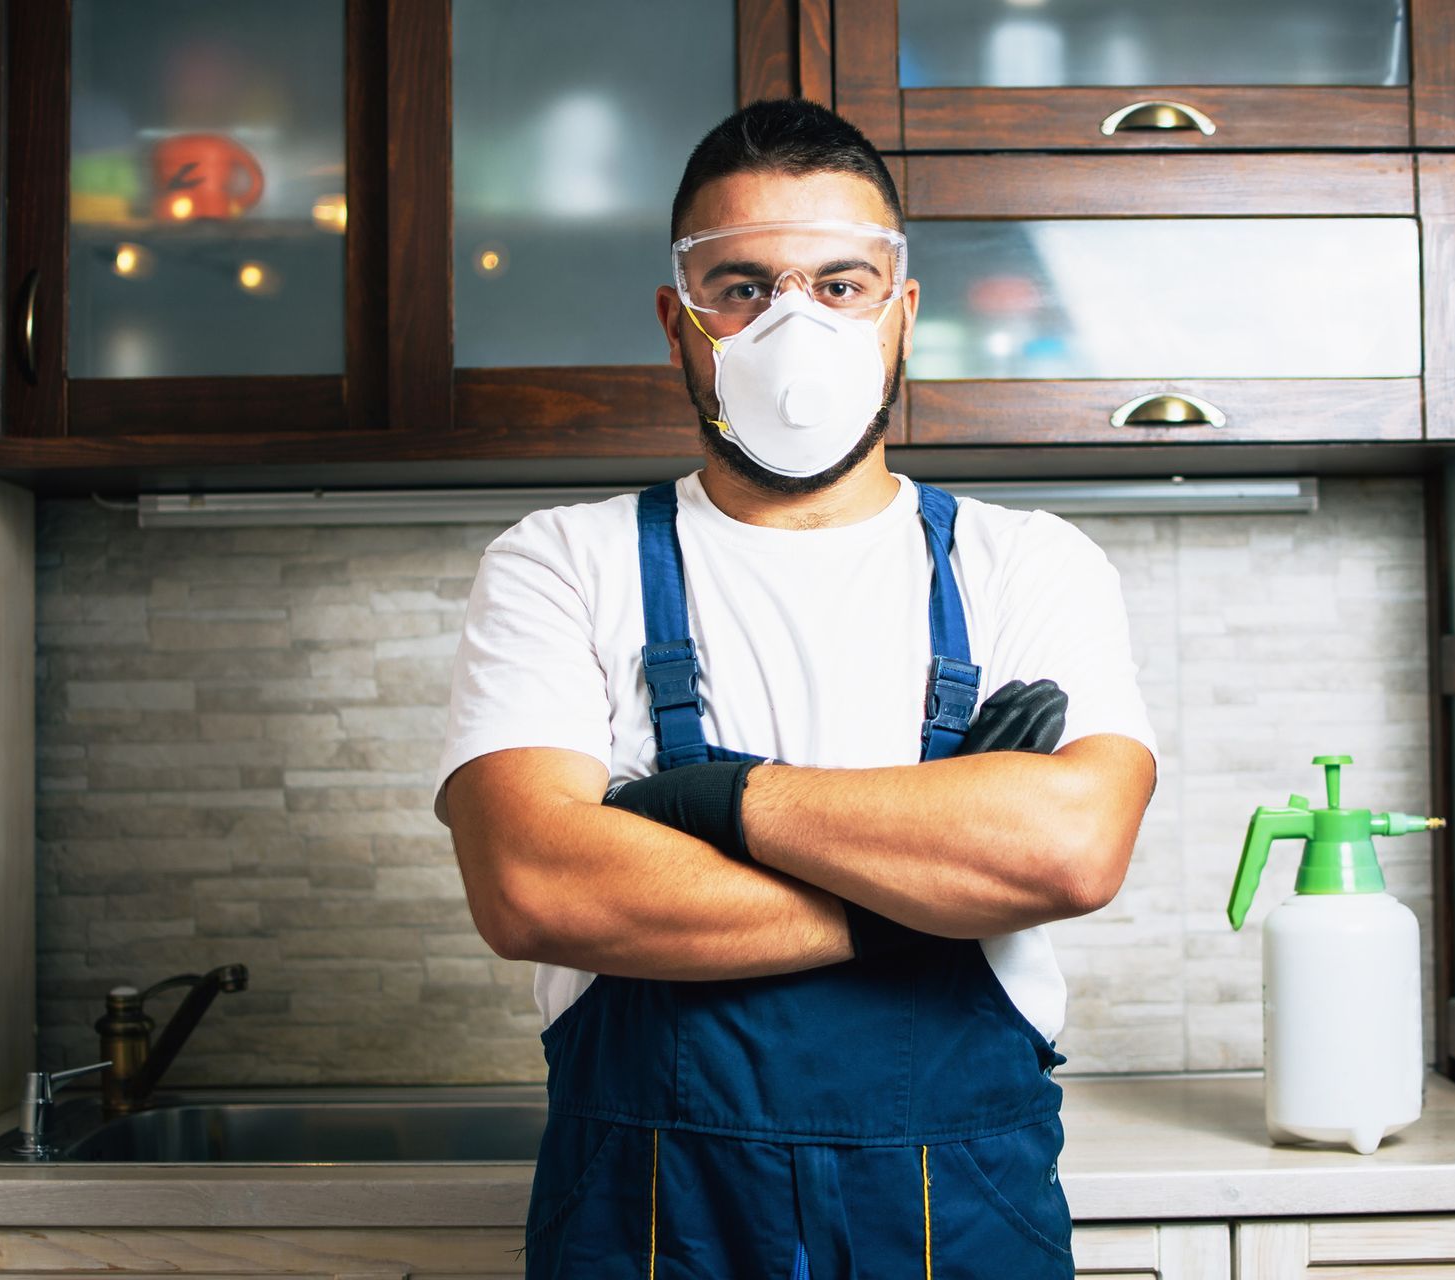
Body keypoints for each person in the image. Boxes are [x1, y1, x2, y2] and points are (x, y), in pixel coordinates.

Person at [435, 98, 1158, 1280]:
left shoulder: (1028, 561)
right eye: (742, 286)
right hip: (652, 1217)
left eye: (839, 284)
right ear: (679, 320)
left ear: (902, 310)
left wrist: (714, 801)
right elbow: (533, 884)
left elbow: (1068, 852)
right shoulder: (562, 561)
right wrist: (938, 886)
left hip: (956, 1212)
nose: (792, 322)